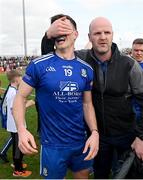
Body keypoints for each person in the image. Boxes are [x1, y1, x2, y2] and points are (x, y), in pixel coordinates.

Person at [41, 16, 143, 178]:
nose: (102, 37)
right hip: (96, 137)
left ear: (112, 35)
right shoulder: (79, 59)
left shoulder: (129, 65)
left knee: (132, 175)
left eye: (106, 32)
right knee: (100, 174)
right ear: (89, 37)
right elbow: (50, 61)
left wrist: (142, 136)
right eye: (97, 33)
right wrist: (48, 36)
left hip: (126, 135)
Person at [13, 14, 99, 179]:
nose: (61, 33)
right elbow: (20, 98)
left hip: (80, 142)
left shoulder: (86, 69)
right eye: (57, 29)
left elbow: (87, 104)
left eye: (65, 29)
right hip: (52, 145)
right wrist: (22, 130)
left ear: (76, 34)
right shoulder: (39, 65)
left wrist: (94, 132)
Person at [2, 70, 32, 177]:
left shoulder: (12, 90)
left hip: (13, 124)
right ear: (16, 79)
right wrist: (28, 104)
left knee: (17, 145)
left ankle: (16, 164)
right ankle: (17, 170)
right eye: (20, 77)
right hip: (16, 125)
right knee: (19, 147)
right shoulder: (13, 92)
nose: (22, 79)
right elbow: (13, 109)